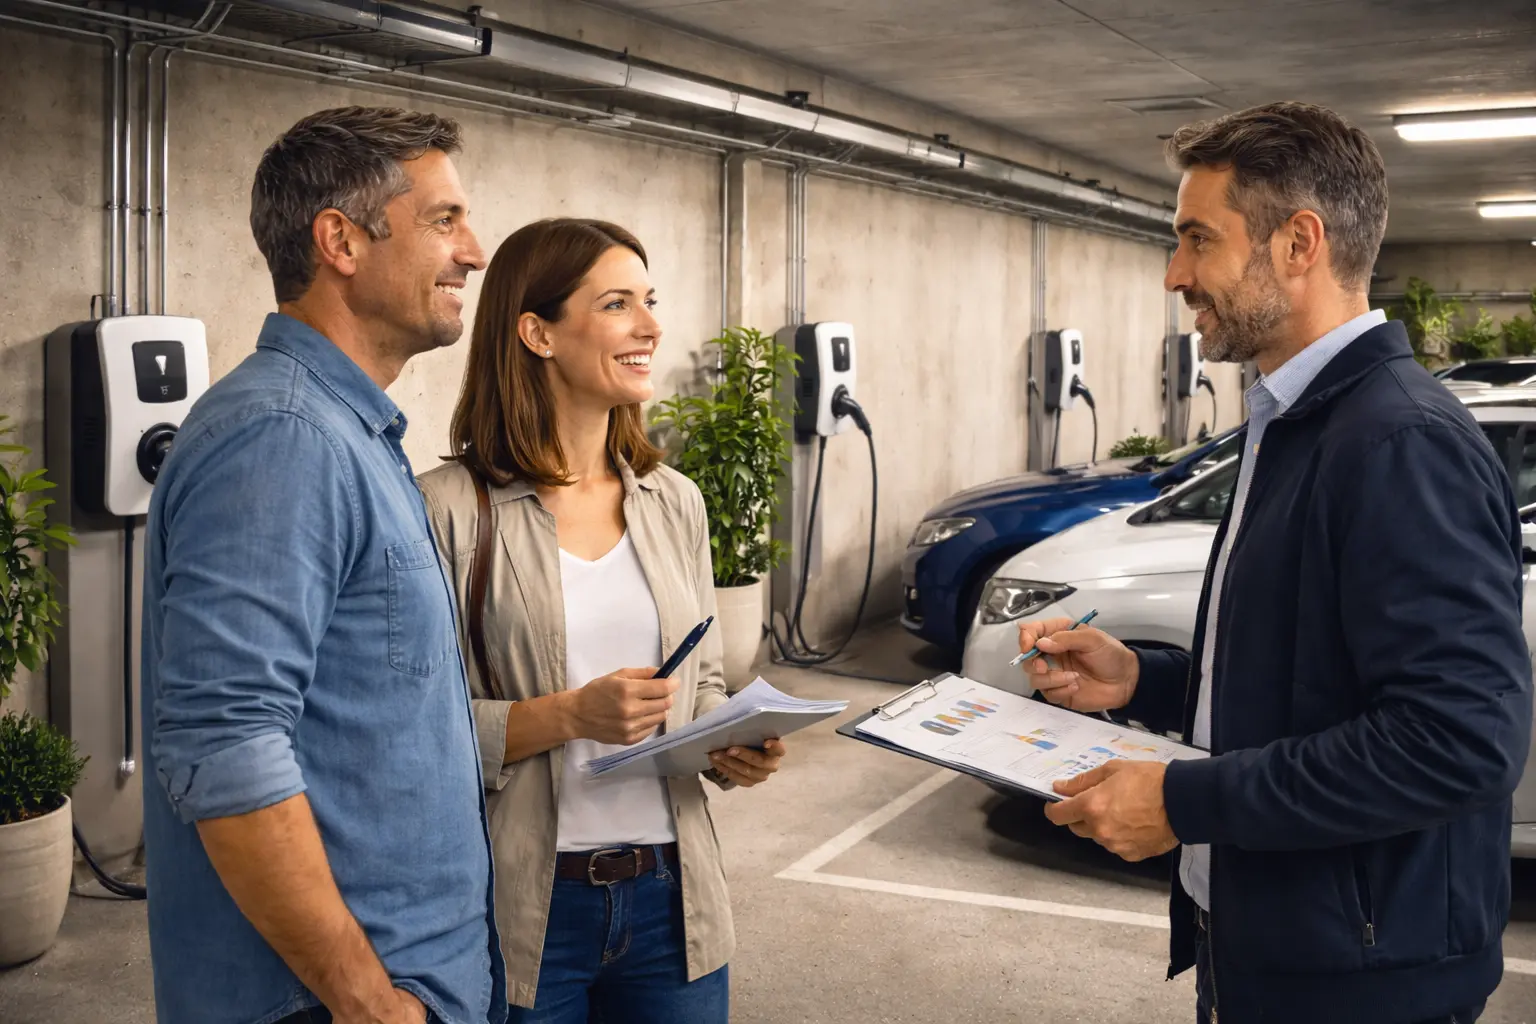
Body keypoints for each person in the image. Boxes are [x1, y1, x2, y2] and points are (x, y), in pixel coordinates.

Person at [1019, 101, 1532, 1024]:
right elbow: (1308, 677)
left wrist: (1187, 798)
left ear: (1300, 243)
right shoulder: (1293, 420)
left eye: (1197, 241)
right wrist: (1148, 680)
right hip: (1270, 943)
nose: (1176, 275)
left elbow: (1458, 741)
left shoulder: (1398, 442)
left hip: (1362, 984)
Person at [141, 106, 504, 1024]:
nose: (476, 250)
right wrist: (366, 999)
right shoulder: (284, 438)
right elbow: (227, 747)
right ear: (341, 240)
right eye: (444, 220)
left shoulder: (347, 430)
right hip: (325, 1002)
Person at [417, 217, 784, 1023]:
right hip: (524, 908)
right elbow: (414, 732)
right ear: (536, 332)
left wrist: (727, 744)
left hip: (671, 900)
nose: (651, 326)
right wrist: (571, 715)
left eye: (650, 301)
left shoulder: (673, 501)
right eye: (618, 304)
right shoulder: (447, 508)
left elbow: (704, 682)